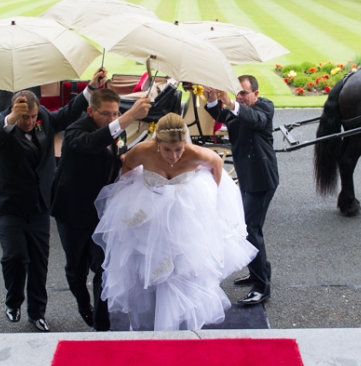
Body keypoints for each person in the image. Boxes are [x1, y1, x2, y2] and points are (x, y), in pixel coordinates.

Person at [93, 113, 257, 331]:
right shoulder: (142, 151)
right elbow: (127, 173)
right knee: (149, 269)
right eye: (167, 150)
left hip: (184, 217)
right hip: (151, 216)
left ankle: (181, 322)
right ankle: (153, 321)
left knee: (183, 269)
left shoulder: (196, 154)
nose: (173, 156)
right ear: (157, 143)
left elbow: (217, 166)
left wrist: (209, 196)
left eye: (178, 149)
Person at [0, 69, 104, 332]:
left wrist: (92, 88)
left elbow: (68, 113)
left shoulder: (43, 119)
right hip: (9, 206)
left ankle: (37, 312)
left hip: (39, 205)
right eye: (24, 117)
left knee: (39, 262)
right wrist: (12, 118)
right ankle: (14, 301)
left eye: (33, 117)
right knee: (16, 256)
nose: (30, 122)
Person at [51, 88, 151, 331]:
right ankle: (84, 304)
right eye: (106, 114)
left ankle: (102, 325)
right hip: (72, 210)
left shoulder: (117, 129)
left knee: (103, 267)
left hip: (103, 213)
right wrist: (127, 118)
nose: (112, 118)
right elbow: (91, 144)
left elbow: (113, 156)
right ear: (90, 111)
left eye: (116, 113)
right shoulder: (77, 131)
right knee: (76, 270)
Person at [204, 75, 279, 306]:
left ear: (255, 93)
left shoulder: (264, 107)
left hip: (262, 178)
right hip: (247, 177)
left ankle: (261, 287)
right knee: (251, 228)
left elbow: (256, 120)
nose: (239, 96)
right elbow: (222, 116)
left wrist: (231, 102)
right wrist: (213, 101)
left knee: (249, 230)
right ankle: (261, 271)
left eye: (244, 93)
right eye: (237, 92)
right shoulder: (238, 109)